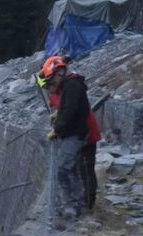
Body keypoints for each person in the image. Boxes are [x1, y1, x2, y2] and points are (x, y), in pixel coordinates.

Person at [41, 60, 102, 211]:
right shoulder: (68, 86)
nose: (51, 86)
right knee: (77, 168)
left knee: (80, 169)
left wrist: (58, 128)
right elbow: (67, 107)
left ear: (60, 72)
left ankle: (84, 205)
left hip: (80, 134)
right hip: (78, 133)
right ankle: (79, 203)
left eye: (51, 81)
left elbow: (70, 109)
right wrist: (58, 116)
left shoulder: (72, 86)